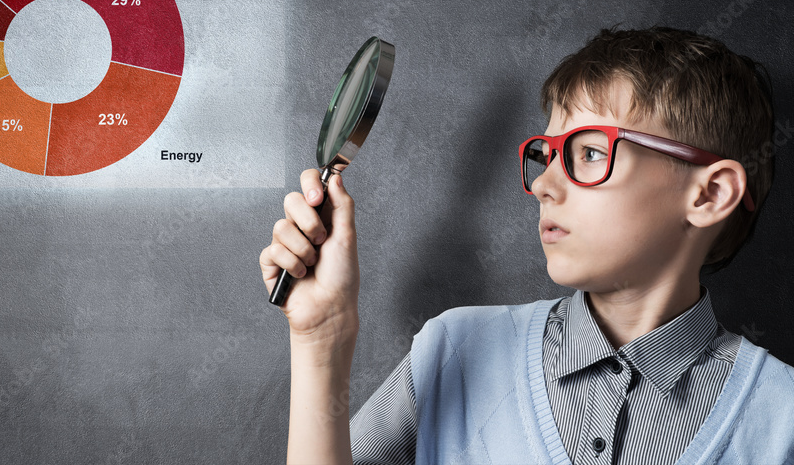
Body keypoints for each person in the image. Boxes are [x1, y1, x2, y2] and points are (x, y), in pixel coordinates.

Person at [259, 27, 794, 464]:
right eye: (546, 155)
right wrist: (320, 343)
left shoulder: (781, 416)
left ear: (710, 194)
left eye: (587, 153)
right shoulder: (455, 349)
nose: (542, 185)